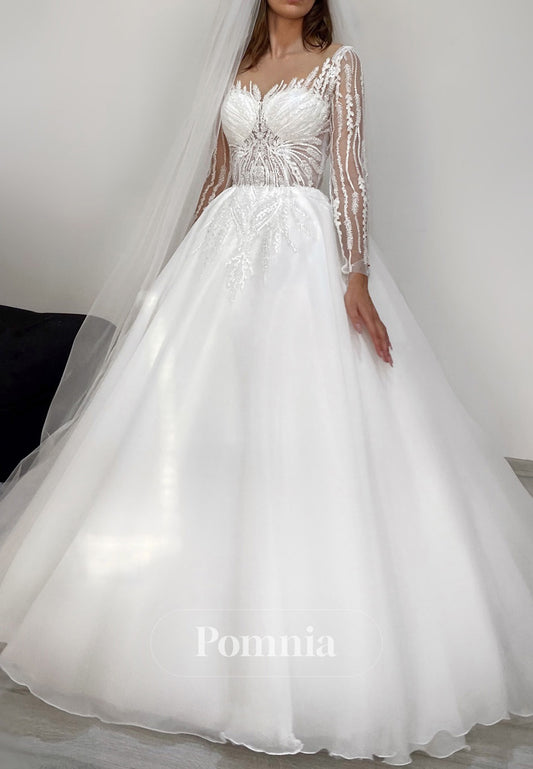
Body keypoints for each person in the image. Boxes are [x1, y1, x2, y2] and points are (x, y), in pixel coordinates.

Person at [1, 0, 533, 765]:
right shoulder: (239, 64)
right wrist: (178, 277)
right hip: (222, 251)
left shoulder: (338, 65)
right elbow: (217, 176)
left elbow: (347, 172)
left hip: (301, 252)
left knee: (300, 420)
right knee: (196, 425)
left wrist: (354, 276)